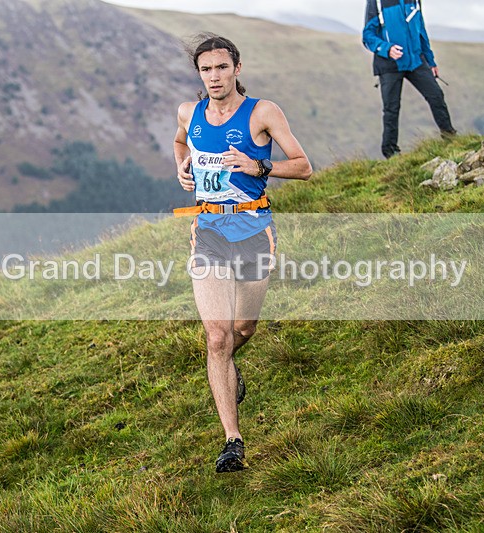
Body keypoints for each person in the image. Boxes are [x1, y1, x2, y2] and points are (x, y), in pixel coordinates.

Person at [173, 34, 312, 473]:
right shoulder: (189, 112)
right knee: (216, 337)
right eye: (205, 70)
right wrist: (181, 165)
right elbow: (181, 141)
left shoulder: (263, 112)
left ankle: (230, 367)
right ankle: (233, 440)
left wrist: (260, 166)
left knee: (242, 328)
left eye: (220, 67)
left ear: (237, 67)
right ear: (199, 74)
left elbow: (304, 167)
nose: (213, 77)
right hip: (209, 230)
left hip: (254, 232)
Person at [362, 0, 457, 159]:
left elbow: (421, 29)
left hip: (416, 61)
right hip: (389, 64)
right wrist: (387, 48)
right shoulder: (377, 2)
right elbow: (367, 35)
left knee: (436, 96)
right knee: (391, 109)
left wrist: (430, 60)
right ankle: (390, 151)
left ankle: (450, 138)